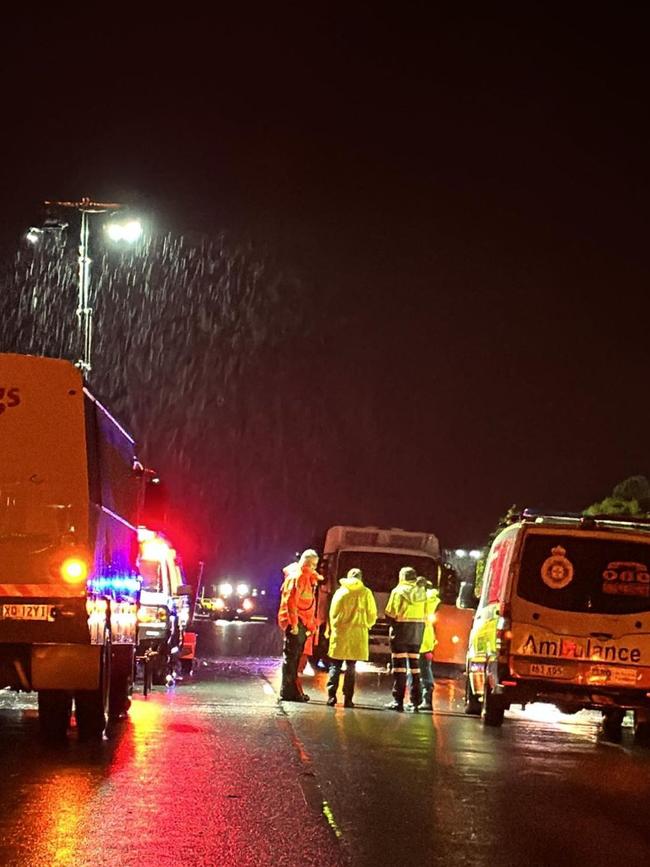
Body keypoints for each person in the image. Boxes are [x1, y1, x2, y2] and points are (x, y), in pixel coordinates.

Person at [326, 568, 377, 708]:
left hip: (341, 633)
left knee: (335, 665)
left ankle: (331, 696)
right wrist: (367, 624)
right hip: (357, 634)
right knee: (351, 667)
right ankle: (348, 699)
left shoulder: (341, 591)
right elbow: (372, 613)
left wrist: (334, 626)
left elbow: (333, 612)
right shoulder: (366, 593)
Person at [278, 549, 322, 702]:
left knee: (295, 658)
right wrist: (295, 624)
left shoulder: (307, 578)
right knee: (292, 658)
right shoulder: (299, 578)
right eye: (314, 565)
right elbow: (291, 602)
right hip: (297, 622)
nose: (315, 568)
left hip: (302, 622)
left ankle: (291, 690)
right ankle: (289, 691)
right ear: (308, 563)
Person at [384, 566, 427, 712]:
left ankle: (398, 701)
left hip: (401, 632)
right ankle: (416, 701)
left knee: (399, 668)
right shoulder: (422, 592)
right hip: (417, 633)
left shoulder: (398, 592)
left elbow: (390, 613)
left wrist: (391, 624)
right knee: (415, 669)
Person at [408, 577, 441, 711]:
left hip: (418, 637)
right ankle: (422, 699)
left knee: (419, 670)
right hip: (426, 638)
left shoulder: (423, 599)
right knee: (423, 668)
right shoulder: (431, 600)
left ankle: (423, 699)